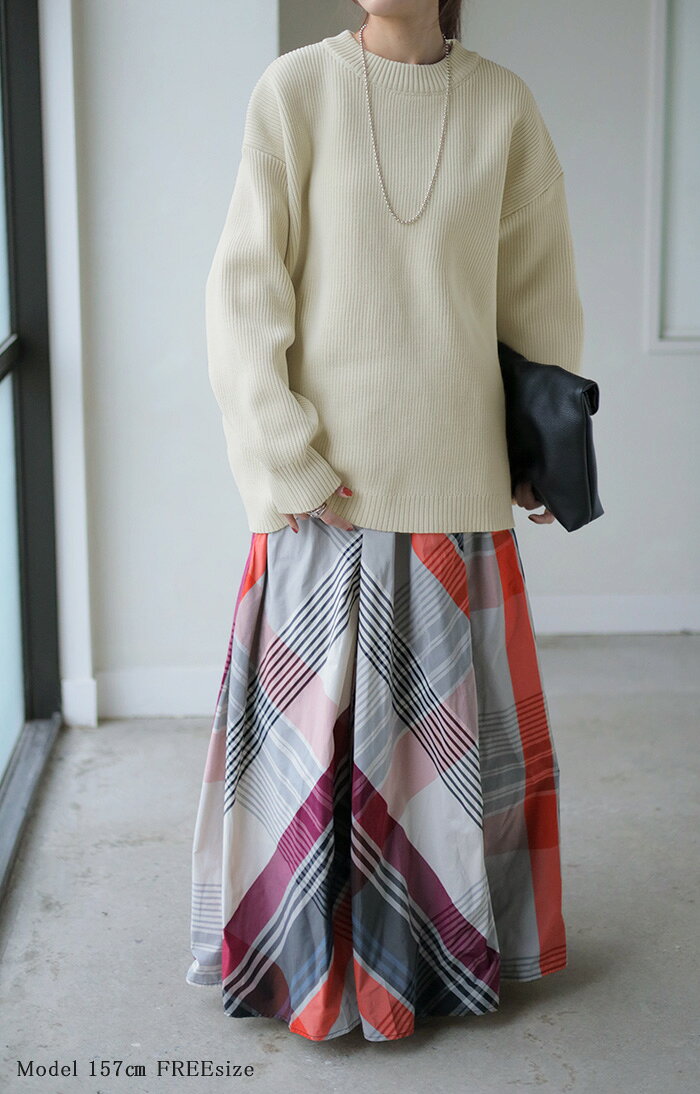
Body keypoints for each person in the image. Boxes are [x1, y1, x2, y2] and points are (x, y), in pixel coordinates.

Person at [186, 0, 584, 1044]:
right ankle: (309, 968)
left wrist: (543, 452)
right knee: (312, 770)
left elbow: (536, 301)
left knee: (446, 775)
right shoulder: (295, 92)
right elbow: (243, 295)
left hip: (455, 491)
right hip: (325, 497)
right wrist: (284, 456)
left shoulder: (503, 106)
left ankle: (443, 963)